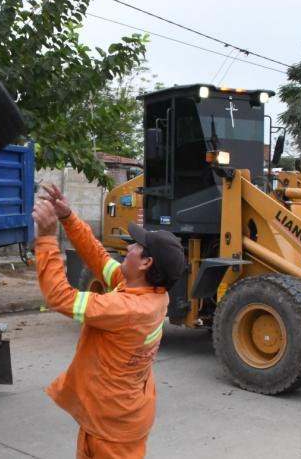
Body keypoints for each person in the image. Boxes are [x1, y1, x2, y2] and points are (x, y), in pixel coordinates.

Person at [32, 184, 185, 459]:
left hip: (113, 430)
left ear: (146, 262)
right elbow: (98, 257)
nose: (130, 246)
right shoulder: (148, 292)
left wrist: (45, 239)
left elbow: (59, 297)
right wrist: (69, 217)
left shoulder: (128, 309)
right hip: (110, 418)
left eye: (137, 245)